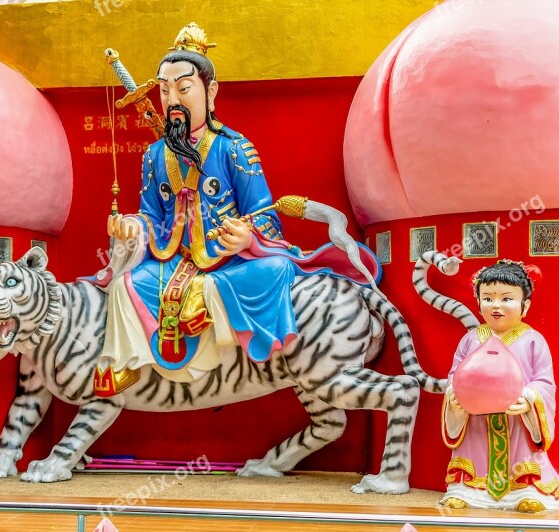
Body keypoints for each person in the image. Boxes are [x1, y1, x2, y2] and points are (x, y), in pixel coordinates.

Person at [93, 23, 379, 396]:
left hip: (229, 260)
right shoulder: (154, 155)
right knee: (125, 285)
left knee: (273, 269)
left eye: (183, 88)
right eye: (164, 91)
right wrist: (133, 226)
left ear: (210, 92)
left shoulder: (234, 148)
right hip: (172, 257)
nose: (172, 100)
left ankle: (213, 315)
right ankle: (125, 364)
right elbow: (151, 214)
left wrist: (247, 236)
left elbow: (264, 211)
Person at [441, 259, 559, 512]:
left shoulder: (533, 340)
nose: (496, 305)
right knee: (472, 462)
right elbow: (454, 375)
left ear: (525, 305)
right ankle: (469, 490)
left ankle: (526, 490)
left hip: (517, 420)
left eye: (506, 298)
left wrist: (529, 399)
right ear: (478, 303)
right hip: (477, 420)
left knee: (524, 463)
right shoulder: (470, 339)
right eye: (487, 298)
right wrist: (455, 395)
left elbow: (544, 381)